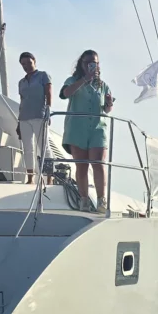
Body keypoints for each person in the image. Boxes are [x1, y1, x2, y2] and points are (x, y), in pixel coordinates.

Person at [60, 49, 114, 211]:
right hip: (77, 128)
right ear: (82, 65)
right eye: (88, 63)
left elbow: (106, 109)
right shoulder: (72, 80)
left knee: (98, 163)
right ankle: (83, 199)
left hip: (98, 128)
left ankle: (101, 200)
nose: (91, 66)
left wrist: (109, 104)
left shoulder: (103, 85)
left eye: (94, 63)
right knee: (82, 166)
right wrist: (84, 80)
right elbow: (65, 93)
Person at [15, 51, 52, 183]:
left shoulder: (43, 76)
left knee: (44, 147)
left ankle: (49, 177)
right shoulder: (21, 82)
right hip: (24, 117)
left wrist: (48, 108)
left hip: (39, 115)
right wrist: (19, 122)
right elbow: (22, 100)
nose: (26, 66)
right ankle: (30, 177)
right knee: (27, 148)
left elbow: (48, 93)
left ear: (34, 61)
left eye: (28, 63)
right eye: (23, 64)